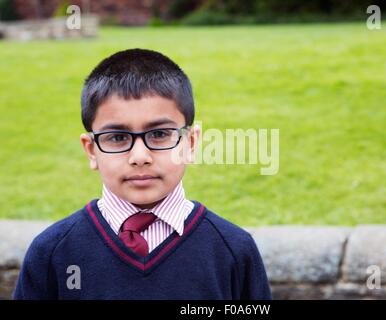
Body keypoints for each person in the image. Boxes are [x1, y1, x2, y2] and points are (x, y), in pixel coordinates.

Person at [13, 48, 272, 300]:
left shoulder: (233, 251)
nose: (140, 157)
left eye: (159, 134)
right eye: (117, 137)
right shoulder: (52, 253)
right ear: (91, 151)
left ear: (191, 144)